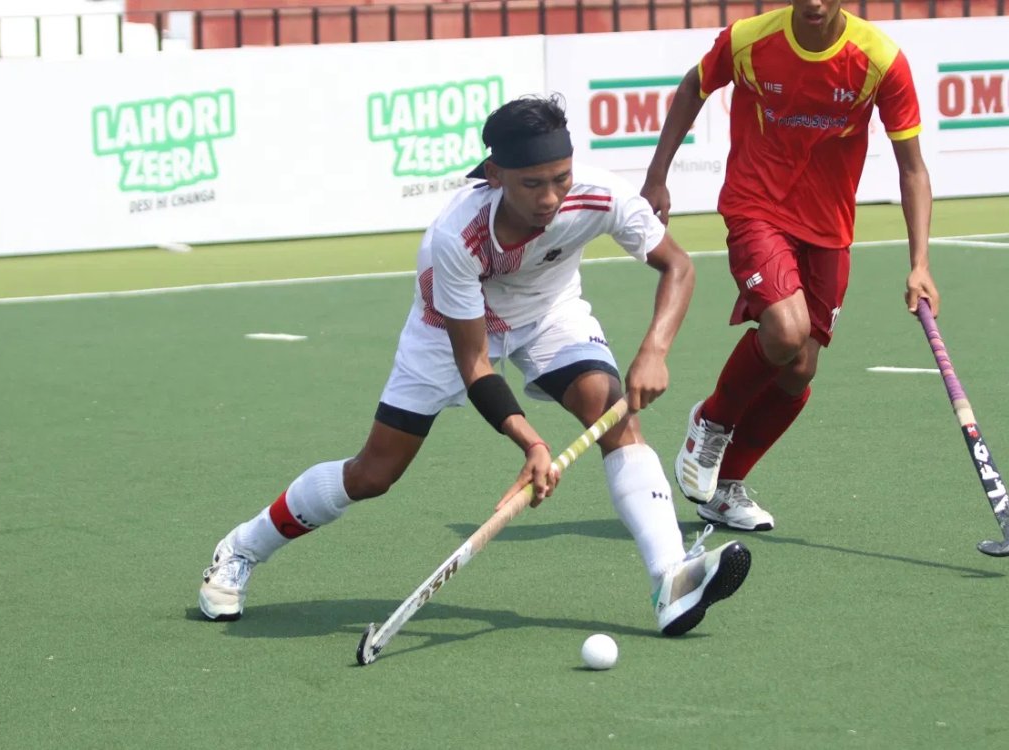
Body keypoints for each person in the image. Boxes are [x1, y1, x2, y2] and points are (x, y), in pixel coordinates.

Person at [200, 94, 752, 637]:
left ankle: (670, 580)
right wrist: (533, 444)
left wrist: (654, 347)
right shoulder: (457, 237)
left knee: (611, 412)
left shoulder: (601, 195)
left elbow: (677, 265)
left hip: (547, 311)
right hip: (451, 329)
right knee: (373, 473)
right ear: (495, 173)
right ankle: (242, 548)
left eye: (560, 178)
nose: (550, 198)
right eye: (531, 184)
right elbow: (475, 362)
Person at [642, 0, 940, 531]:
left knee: (800, 366)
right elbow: (694, 87)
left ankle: (726, 487)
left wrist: (920, 262)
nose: (816, 4)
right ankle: (711, 421)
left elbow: (912, 170)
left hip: (829, 228)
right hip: (756, 206)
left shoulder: (880, 60)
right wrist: (658, 174)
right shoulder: (750, 40)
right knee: (785, 330)